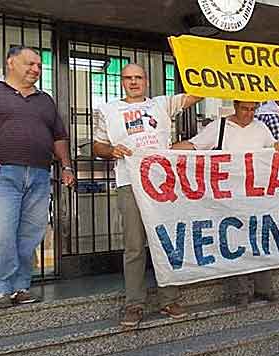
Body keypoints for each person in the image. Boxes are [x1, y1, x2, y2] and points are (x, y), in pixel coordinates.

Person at [93, 63, 202, 327]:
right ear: (121, 82)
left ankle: (169, 299)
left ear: (146, 81)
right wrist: (111, 151)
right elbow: (98, 145)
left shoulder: (162, 104)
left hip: (163, 184)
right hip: (129, 183)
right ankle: (134, 304)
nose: (133, 82)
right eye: (128, 78)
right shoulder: (107, 110)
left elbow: (198, 93)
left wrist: (200, 61)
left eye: (138, 77)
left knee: (166, 242)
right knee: (134, 246)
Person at [172, 100, 279, 306]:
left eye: (253, 110)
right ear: (235, 105)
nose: (249, 114)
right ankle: (240, 291)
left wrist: (278, 147)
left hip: (256, 196)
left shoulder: (261, 128)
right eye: (244, 109)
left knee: (260, 239)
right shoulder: (220, 126)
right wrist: (164, 151)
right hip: (229, 196)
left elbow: (273, 148)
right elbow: (194, 145)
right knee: (233, 241)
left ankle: (264, 286)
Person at [0, 46, 75, 309]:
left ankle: (20, 287)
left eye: (39, 65)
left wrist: (66, 166)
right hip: (4, 173)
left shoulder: (45, 99)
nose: (36, 69)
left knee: (30, 234)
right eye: (30, 63)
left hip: (41, 175)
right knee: (2, 232)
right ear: (11, 63)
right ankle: (1, 288)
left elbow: (59, 136)